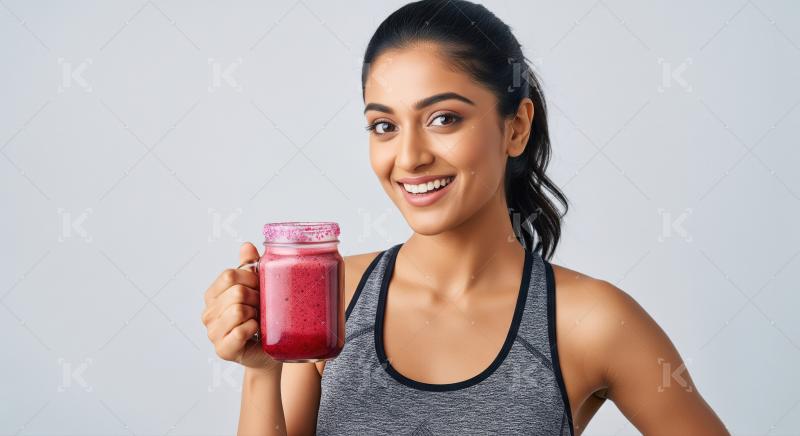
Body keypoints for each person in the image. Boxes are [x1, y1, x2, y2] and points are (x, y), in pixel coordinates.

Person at [201, 1, 729, 434]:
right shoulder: (332, 297)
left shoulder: (593, 321)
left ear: (516, 128)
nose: (409, 157)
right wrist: (261, 371)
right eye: (384, 126)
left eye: (443, 118)